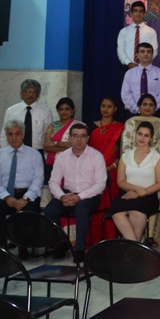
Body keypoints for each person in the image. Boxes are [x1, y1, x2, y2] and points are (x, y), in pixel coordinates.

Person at [44, 124, 107, 262]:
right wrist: (61, 196)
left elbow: (100, 185)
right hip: (67, 193)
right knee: (49, 211)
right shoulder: (62, 157)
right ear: (70, 138)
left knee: (82, 209)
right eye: (75, 136)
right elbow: (53, 181)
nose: (79, 139)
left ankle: (79, 250)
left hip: (90, 195)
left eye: (82, 136)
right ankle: (61, 244)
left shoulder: (96, 156)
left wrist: (80, 197)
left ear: (88, 138)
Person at [0, 121, 44, 252]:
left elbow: (38, 180)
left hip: (27, 194)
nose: (14, 138)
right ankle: (2, 247)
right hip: (6, 194)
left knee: (29, 212)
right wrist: (7, 197)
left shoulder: (34, 155)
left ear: (23, 135)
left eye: (17, 134)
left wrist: (25, 199)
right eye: (10, 134)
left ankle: (23, 247)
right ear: (6, 136)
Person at [109, 121, 160, 242]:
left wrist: (142, 192)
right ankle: (136, 246)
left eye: (146, 135)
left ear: (151, 138)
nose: (142, 138)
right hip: (129, 195)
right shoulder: (126, 156)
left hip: (148, 196)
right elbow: (120, 181)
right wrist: (135, 190)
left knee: (137, 212)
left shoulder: (157, 157)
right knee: (116, 210)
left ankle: (132, 247)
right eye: (140, 134)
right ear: (135, 135)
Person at [87, 96, 125, 244]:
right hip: (93, 171)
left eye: (109, 106)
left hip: (112, 171)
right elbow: (87, 150)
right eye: (103, 106)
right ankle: (94, 239)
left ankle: (110, 238)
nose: (106, 109)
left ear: (115, 109)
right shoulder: (91, 127)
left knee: (110, 203)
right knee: (95, 202)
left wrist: (112, 166)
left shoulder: (120, 128)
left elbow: (122, 151)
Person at [0, 79, 53, 157]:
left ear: (38, 94)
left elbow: (49, 136)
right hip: (15, 152)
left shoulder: (46, 111)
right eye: (27, 91)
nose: (31, 95)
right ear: (21, 93)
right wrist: (4, 154)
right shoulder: (11, 111)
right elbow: (4, 134)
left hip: (37, 153)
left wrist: (46, 157)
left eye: (34, 92)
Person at [43, 97, 85, 178]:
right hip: (51, 164)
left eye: (67, 109)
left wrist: (55, 143)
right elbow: (46, 147)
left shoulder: (80, 126)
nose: (64, 112)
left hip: (71, 165)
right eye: (61, 109)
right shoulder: (52, 125)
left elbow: (77, 146)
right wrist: (67, 146)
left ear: (73, 110)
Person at [121, 43, 160, 115]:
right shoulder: (129, 73)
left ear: (152, 55)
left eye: (148, 52)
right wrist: (138, 109)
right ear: (137, 55)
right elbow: (125, 94)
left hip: (155, 113)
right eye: (142, 51)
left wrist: (151, 109)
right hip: (133, 112)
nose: (145, 54)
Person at [116, 1, 159, 73]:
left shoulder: (151, 31)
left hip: (145, 67)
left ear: (144, 14)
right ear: (131, 13)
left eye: (140, 11)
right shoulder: (124, 32)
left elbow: (154, 50)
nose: (138, 14)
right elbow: (120, 49)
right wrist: (129, 63)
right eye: (135, 11)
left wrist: (143, 64)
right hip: (127, 67)